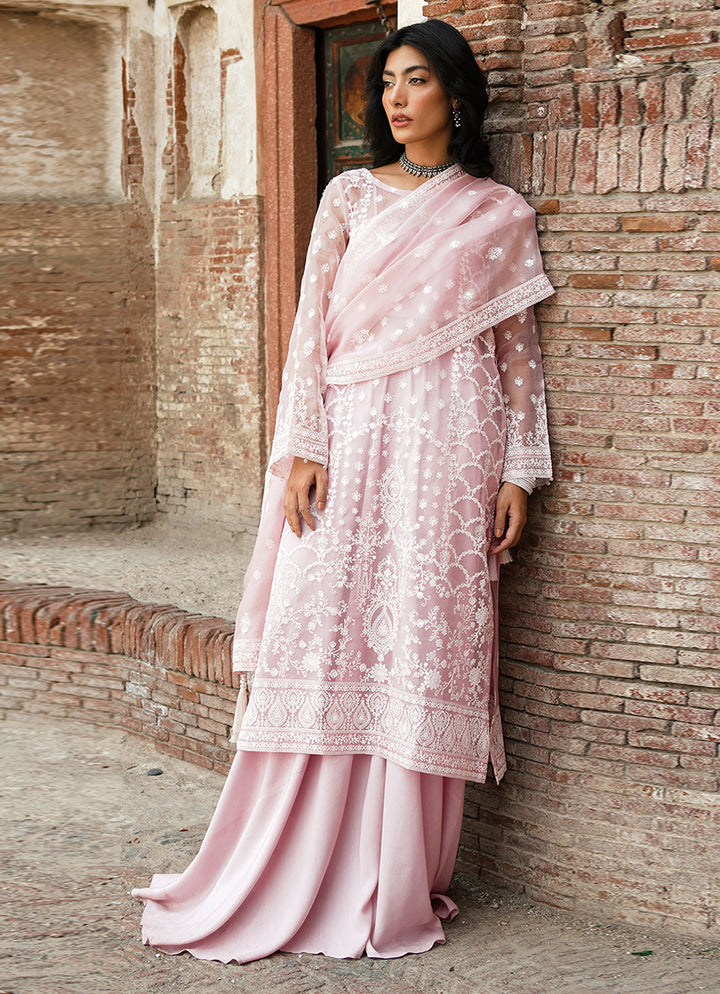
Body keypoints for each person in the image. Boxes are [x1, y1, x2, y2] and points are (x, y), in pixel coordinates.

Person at [133, 18, 553, 964]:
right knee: (322, 621)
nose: (396, 99)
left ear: (457, 96)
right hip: (353, 437)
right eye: (387, 83)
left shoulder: (497, 213)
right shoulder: (349, 197)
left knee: (422, 634)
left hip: (453, 445)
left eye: (417, 80)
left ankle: (394, 873)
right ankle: (296, 859)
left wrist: (518, 471)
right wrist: (303, 447)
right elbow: (308, 330)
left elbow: (518, 358)